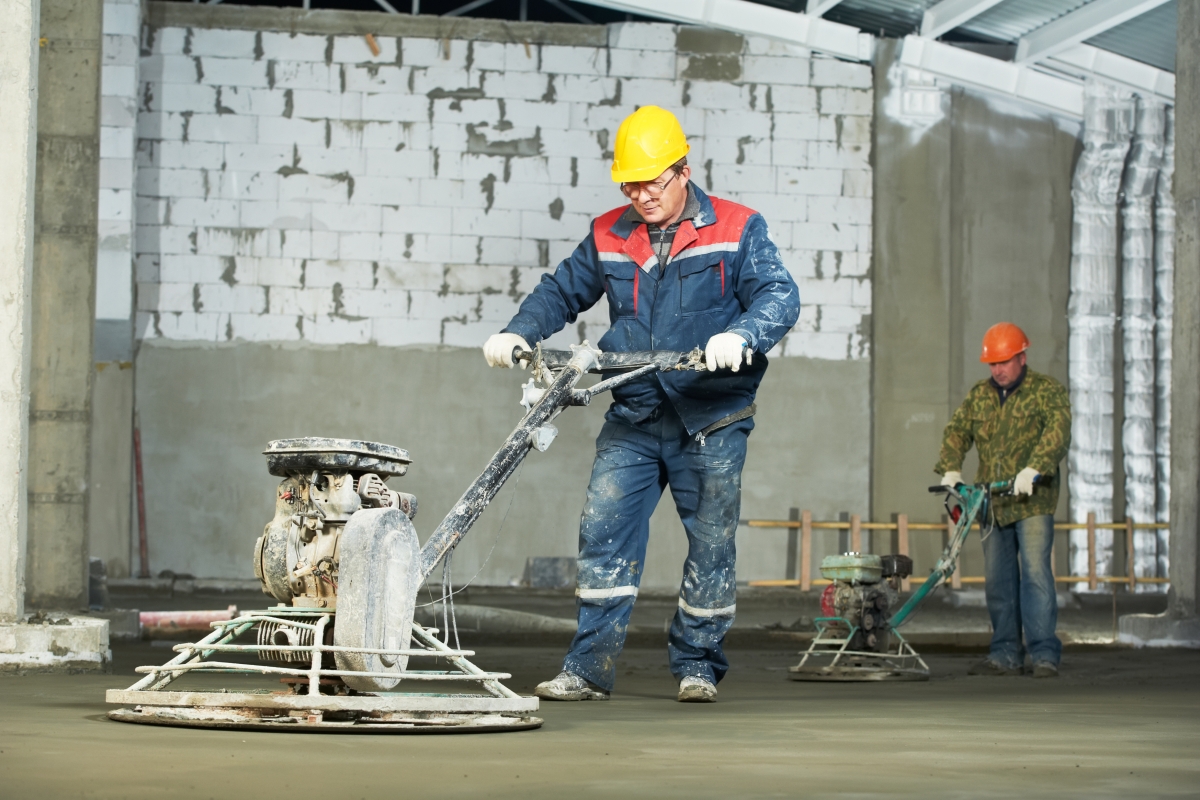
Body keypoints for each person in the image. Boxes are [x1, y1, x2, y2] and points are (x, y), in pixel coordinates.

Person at [482, 106, 799, 703]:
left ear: (683, 170)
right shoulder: (610, 232)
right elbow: (562, 290)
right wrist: (520, 329)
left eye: (652, 181)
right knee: (603, 529)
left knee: (710, 541)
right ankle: (588, 668)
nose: (641, 194)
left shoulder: (737, 227)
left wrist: (744, 335)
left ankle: (698, 664)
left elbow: (779, 294)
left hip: (711, 417)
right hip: (634, 412)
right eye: (630, 183)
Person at [935, 322, 1071, 678]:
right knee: (998, 581)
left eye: (1005, 362)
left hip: (1033, 502)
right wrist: (950, 469)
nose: (998, 369)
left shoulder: (1046, 391)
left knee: (1036, 576)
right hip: (991, 502)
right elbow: (956, 432)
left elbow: (1058, 432)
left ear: (1022, 358)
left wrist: (1034, 469)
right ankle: (1005, 653)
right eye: (993, 363)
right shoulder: (980, 395)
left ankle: (1044, 655)